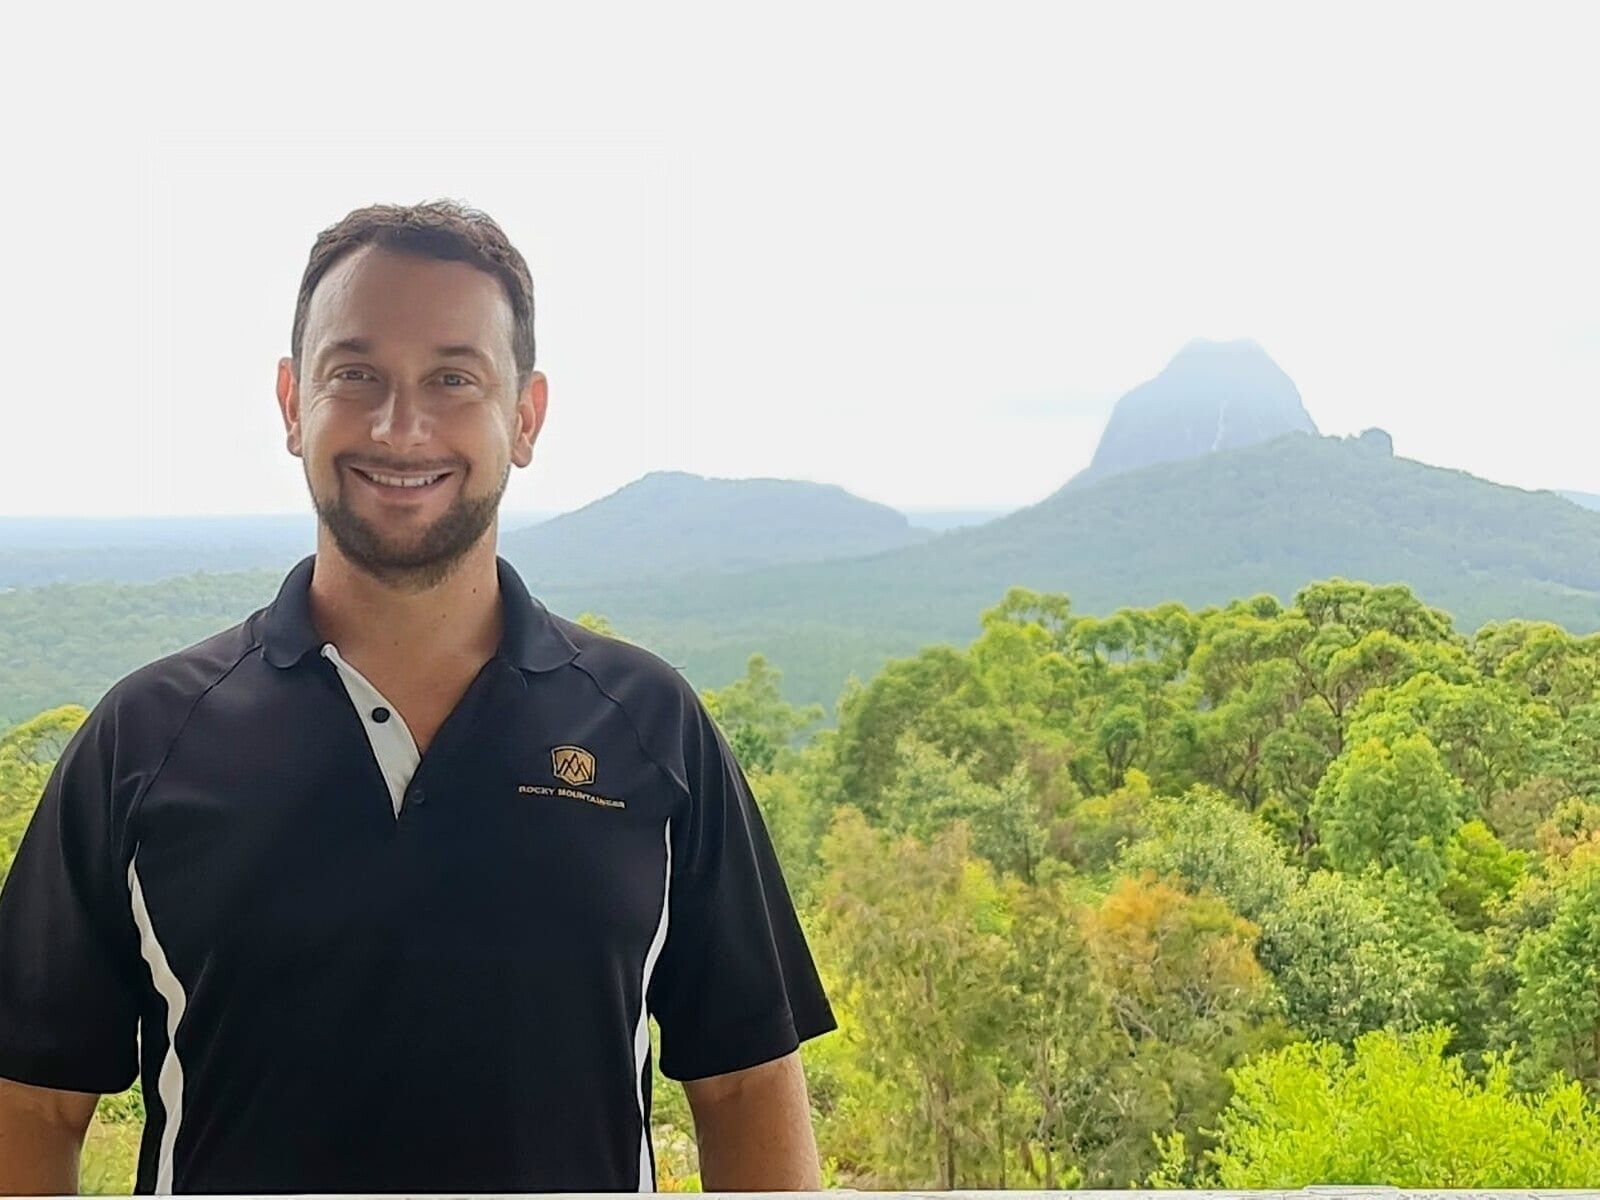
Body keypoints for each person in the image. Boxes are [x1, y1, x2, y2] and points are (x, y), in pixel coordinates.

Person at [0, 199, 837, 1194]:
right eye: (355, 374)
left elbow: (743, 1086)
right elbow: (32, 1104)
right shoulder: (145, 740)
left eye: (454, 378)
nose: (402, 427)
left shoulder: (650, 727)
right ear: (292, 403)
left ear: (524, 416)